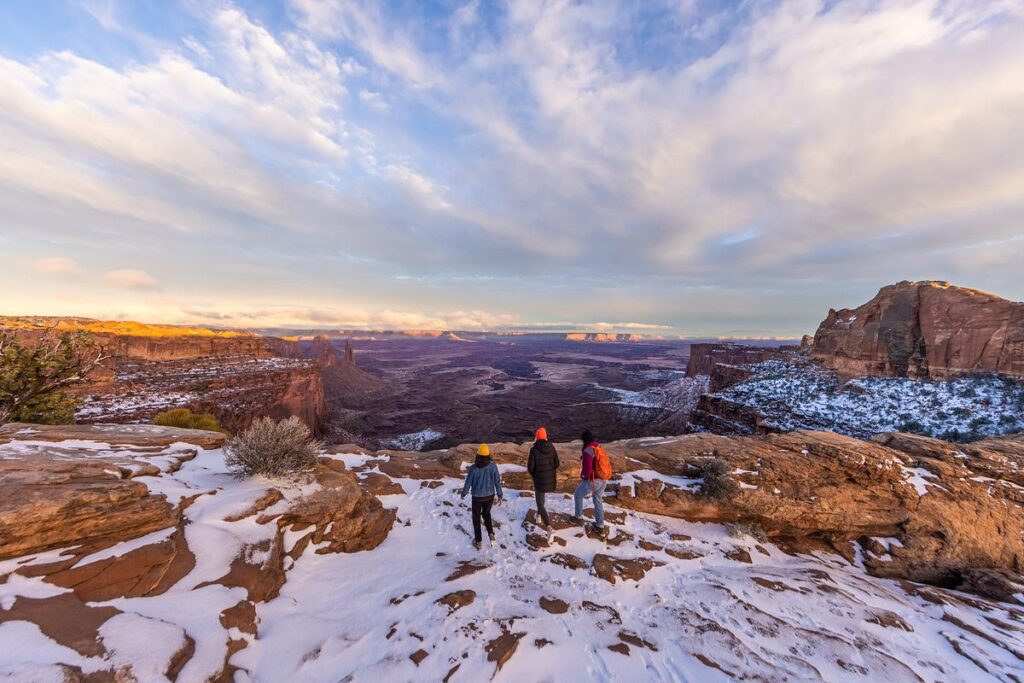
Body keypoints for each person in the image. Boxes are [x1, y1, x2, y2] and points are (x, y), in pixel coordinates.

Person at [460, 443, 504, 549]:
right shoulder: (493, 466)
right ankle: (491, 534)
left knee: (476, 519)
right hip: (489, 495)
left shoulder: (473, 468)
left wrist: (463, 493)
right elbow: (497, 481)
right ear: (488, 455)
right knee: (486, 514)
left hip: (477, 497)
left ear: (478, 455)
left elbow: (468, 483)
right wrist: (499, 494)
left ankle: (478, 541)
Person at [573, 430, 609, 537]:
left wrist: (584, 477)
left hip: (594, 480)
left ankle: (578, 518)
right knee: (597, 500)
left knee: (578, 494)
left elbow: (588, 470)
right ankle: (600, 526)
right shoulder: (597, 447)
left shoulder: (588, 450)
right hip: (603, 479)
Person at [527, 427, 559, 539]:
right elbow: (557, 464)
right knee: (541, 500)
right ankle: (538, 516)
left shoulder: (534, 450)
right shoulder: (551, 447)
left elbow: (530, 468)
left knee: (540, 503)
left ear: (536, 437)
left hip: (539, 480)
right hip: (550, 480)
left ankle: (549, 527)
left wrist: (536, 474)